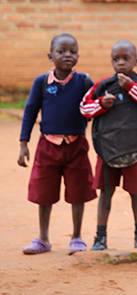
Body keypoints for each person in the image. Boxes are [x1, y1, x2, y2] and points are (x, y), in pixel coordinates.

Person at [18, 33, 97, 255]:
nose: (67, 55)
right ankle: (43, 239)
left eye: (73, 51)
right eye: (61, 51)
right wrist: (24, 143)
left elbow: (94, 106)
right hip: (47, 146)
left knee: (78, 192)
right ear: (50, 55)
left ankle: (77, 237)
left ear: (78, 56)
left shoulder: (83, 81)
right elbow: (30, 112)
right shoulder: (41, 82)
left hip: (76, 146)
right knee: (44, 193)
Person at [80, 40, 137, 250]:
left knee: (136, 193)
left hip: (136, 149)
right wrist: (101, 104)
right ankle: (100, 237)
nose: (121, 63)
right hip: (108, 150)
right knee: (106, 193)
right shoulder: (103, 86)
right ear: (111, 62)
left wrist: (131, 88)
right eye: (116, 59)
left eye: (126, 58)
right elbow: (84, 108)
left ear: (136, 60)